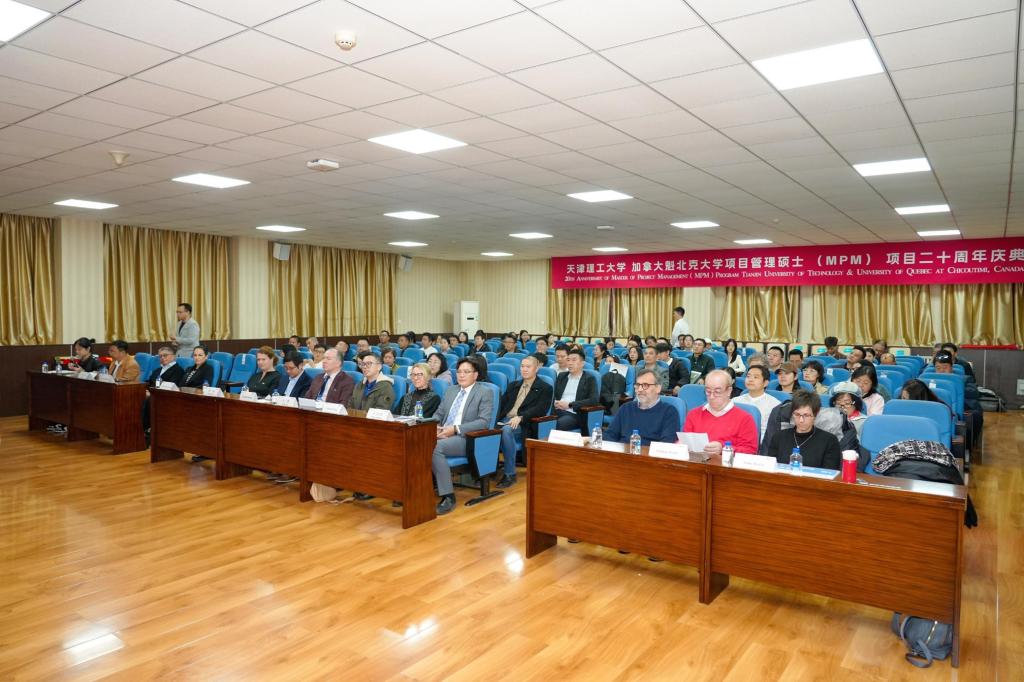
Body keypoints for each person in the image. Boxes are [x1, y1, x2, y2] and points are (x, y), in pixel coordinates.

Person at [432, 356, 494, 515]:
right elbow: (438, 414)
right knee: (414, 441)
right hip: (443, 432)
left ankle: (448, 496)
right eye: (459, 372)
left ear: (475, 375)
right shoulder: (451, 390)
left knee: (435, 447)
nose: (461, 375)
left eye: (466, 372)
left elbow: (484, 422)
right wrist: (434, 426)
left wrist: (455, 429)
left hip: (466, 437)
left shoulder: (484, 392)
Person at [496, 355, 553, 488]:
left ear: (536, 369)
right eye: (522, 366)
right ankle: (486, 471)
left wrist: (521, 417)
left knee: (506, 431)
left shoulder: (545, 387)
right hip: (505, 420)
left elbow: (541, 409)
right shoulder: (513, 385)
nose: (524, 369)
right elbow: (501, 405)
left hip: (524, 423)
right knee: (485, 429)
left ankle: (510, 473)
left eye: (528, 367)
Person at [683, 369, 759, 456]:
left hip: (727, 464)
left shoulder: (745, 418)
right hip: (697, 462)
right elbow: (685, 443)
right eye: (708, 391)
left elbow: (750, 451)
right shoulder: (693, 414)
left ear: (729, 391)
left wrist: (724, 449)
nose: (711, 396)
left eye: (717, 392)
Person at [762, 390, 842, 470]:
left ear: (815, 415)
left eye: (806, 415)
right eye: (797, 414)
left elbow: (829, 473)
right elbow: (770, 468)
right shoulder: (779, 437)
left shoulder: (829, 441)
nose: (801, 420)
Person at [604, 368, 680, 445]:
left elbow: (666, 444)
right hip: (622, 451)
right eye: (637, 385)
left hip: (650, 452)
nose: (639, 389)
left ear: (658, 388)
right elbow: (609, 435)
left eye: (645, 385)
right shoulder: (625, 408)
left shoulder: (669, 412)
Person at [934, 350, 983, 442]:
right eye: (938, 368)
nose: (941, 371)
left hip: (957, 412)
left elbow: (974, 394)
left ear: (952, 367)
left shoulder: (963, 379)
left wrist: (959, 389)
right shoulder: (929, 381)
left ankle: (968, 444)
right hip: (937, 411)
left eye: (945, 367)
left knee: (976, 415)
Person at [552, 347, 599, 431]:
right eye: (568, 360)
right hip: (557, 410)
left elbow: (593, 400)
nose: (570, 363)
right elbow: (554, 394)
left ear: (582, 363)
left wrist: (570, 405)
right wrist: (554, 402)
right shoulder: (562, 376)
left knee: (558, 424)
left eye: (574, 360)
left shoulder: (589, 378)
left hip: (574, 413)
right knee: (539, 421)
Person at [734, 366, 781, 444]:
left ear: (765, 383)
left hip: (761, 444)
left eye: (756, 377)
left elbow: (772, 433)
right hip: (734, 442)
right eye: (748, 376)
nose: (750, 380)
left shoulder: (775, 404)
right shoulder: (735, 401)